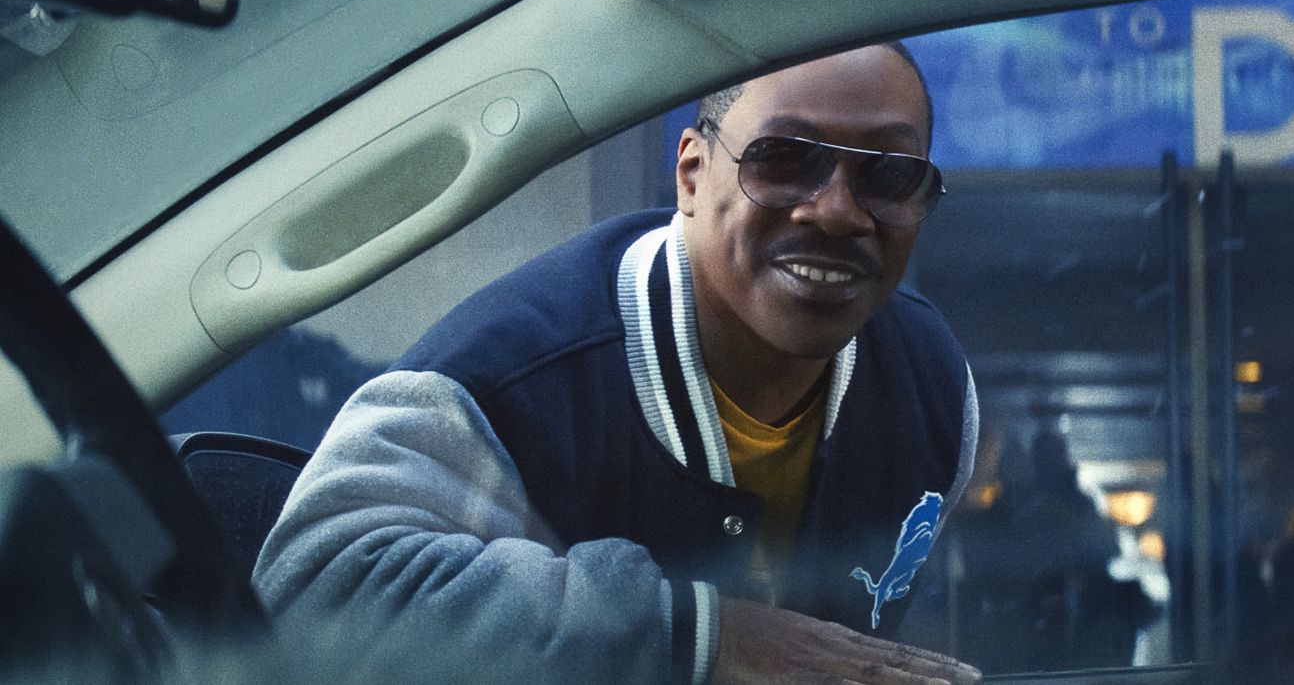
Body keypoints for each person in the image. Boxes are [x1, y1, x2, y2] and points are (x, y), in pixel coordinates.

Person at [253, 42, 980, 684]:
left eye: (888, 176)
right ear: (691, 175)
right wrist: (689, 636)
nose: (837, 211)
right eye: (784, 159)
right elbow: (311, 597)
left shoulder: (933, 390)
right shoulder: (511, 378)